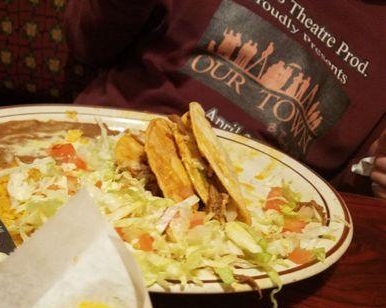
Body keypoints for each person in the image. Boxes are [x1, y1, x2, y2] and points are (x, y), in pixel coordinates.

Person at [65, 0, 385, 198]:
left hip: (254, 221)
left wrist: (375, 178)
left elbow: (346, 181)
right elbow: (87, 45)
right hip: (99, 156)